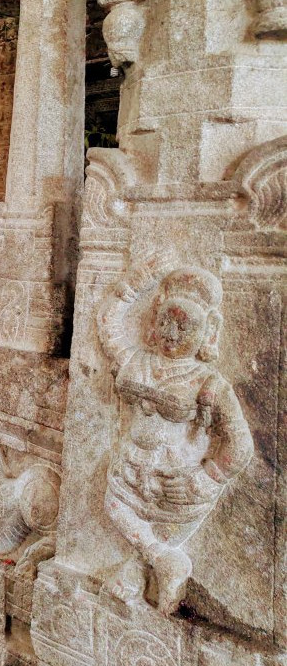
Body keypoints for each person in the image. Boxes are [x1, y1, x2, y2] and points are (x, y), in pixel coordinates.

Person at [97, 262, 253, 614]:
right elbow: (109, 328)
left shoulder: (209, 384)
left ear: (208, 331)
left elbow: (240, 444)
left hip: (179, 488)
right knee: (113, 506)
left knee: (173, 524)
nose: (172, 333)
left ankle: (143, 566)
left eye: (186, 325)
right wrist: (134, 283)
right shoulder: (137, 362)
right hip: (129, 481)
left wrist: (207, 477)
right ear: (154, 321)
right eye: (165, 321)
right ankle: (158, 559)